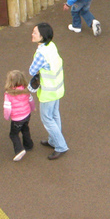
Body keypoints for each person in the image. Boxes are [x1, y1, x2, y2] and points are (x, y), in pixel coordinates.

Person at [29, 23, 68, 159]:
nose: (32, 34)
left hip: (48, 91)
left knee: (47, 118)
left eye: (35, 32)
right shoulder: (51, 46)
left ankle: (60, 145)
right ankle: (53, 140)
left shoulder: (41, 53)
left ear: (42, 36)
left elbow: (32, 70)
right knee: (54, 115)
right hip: (57, 87)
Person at [3, 70, 35, 161]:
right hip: (27, 114)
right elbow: (31, 100)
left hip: (17, 118)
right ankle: (28, 144)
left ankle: (19, 150)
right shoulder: (26, 90)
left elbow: (7, 107)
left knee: (13, 134)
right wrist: (33, 108)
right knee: (25, 129)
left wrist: (6, 116)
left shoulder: (8, 94)